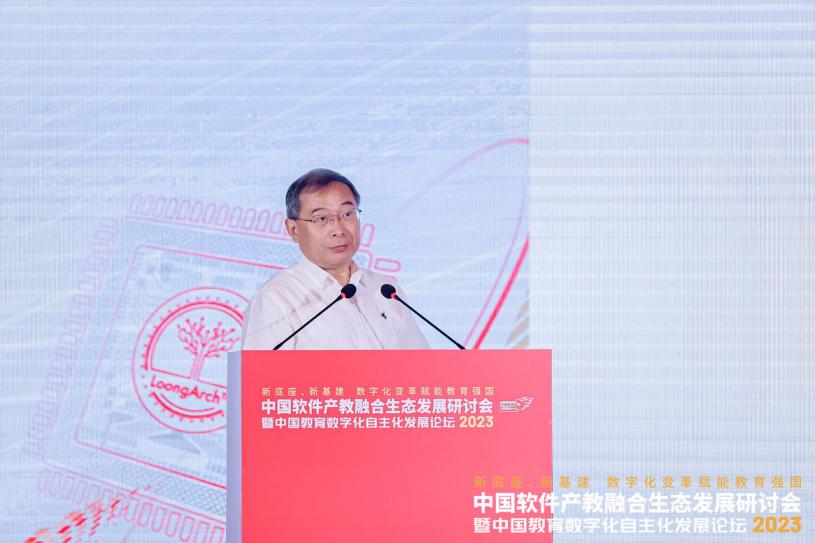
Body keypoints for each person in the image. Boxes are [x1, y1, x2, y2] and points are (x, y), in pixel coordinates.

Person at [241, 168, 430, 350]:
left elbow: (421, 364)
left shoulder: (385, 290)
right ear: (294, 230)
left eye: (347, 214)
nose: (339, 230)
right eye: (322, 218)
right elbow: (261, 372)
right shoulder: (276, 298)